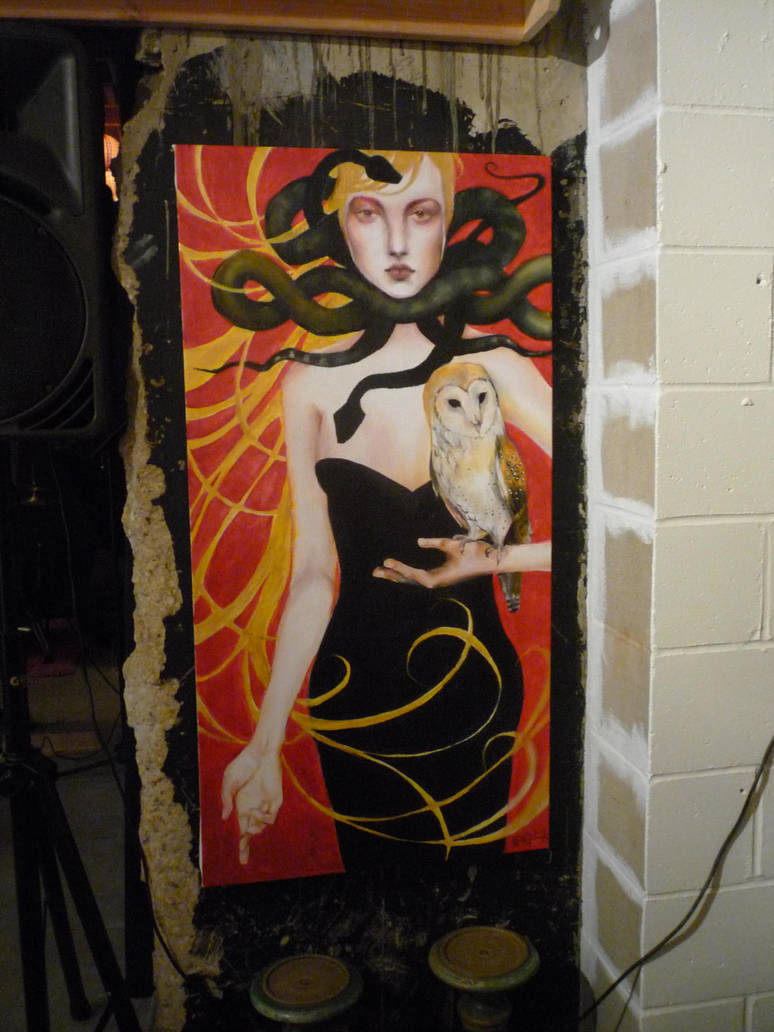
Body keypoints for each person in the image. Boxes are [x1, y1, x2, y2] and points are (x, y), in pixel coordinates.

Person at [217, 151, 552, 867]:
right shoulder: (308, 383)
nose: (397, 242)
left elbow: (619, 506)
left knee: (473, 897)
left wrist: (491, 561)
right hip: (355, 694)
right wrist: (265, 742)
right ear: (341, 229)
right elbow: (314, 573)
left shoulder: (494, 367)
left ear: (449, 226)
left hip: (474, 688)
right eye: (369, 214)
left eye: (420, 214)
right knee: (375, 898)